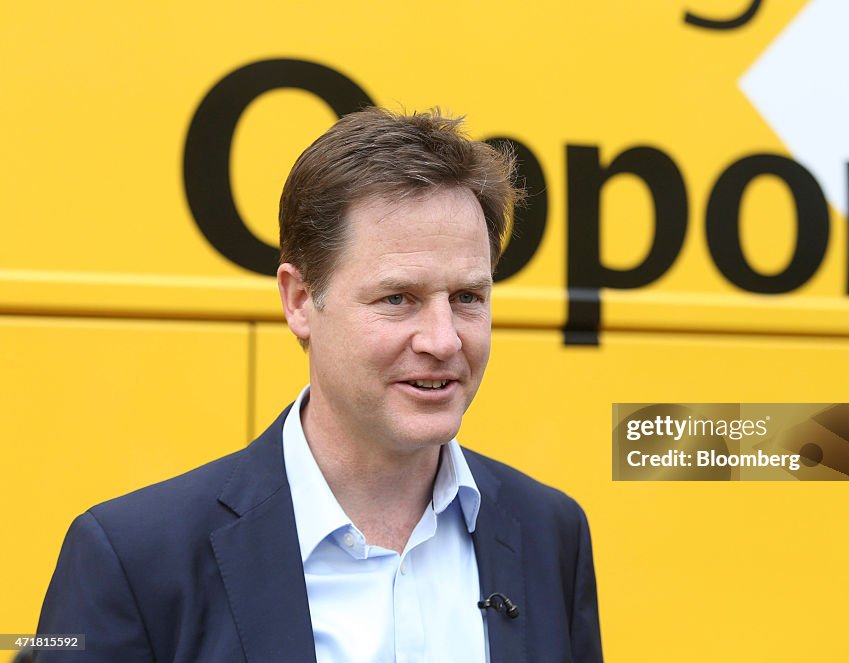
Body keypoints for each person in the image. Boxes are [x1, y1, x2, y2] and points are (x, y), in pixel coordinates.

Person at [36, 108, 602, 663]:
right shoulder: (133, 558)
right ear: (300, 300)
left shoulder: (551, 534)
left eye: (467, 298)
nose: (444, 340)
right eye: (397, 298)